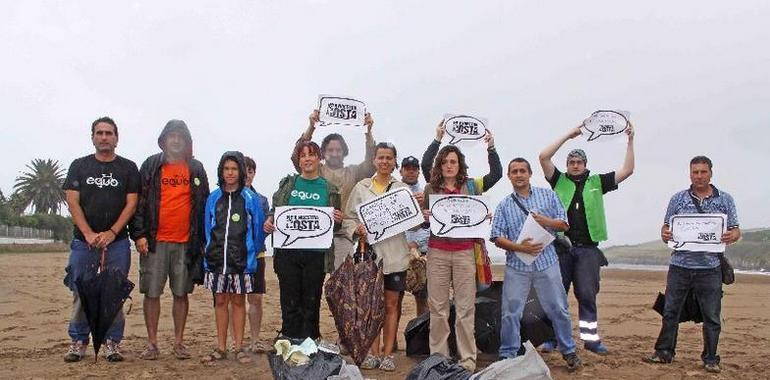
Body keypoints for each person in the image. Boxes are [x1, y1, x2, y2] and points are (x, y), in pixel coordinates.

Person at [537, 121, 635, 354]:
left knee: (587, 295)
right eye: (571, 162)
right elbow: (543, 157)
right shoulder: (558, 181)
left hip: (588, 250)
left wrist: (630, 141)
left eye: (579, 162)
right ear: (567, 165)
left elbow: (628, 170)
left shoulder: (597, 183)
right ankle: (552, 338)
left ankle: (591, 340)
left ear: (585, 165)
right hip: (560, 248)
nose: (575, 165)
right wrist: (569, 135)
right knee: (556, 296)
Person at [643, 156, 740, 374]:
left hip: (710, 267)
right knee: (670, 311)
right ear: (690, 174)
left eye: (703, 172)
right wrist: (664, 233)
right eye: (695, 172)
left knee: (712, 316)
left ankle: (711, 358)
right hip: (680, 265)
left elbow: (736, 229)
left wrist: (731, 235)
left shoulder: (725, 199)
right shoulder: (677, 199)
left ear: (711, 173)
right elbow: (665, 229)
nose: (699, 176)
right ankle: (664, 352)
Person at [420, 120, 502, 372]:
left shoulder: (472, 186)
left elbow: (496, 175)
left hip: (466, 253)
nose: (448, 165)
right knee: (438, 309)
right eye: (444, 162)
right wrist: (437, 139)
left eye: (453, 161)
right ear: (439, 165)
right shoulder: (431, 188)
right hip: (437, 253)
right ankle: (438, 358)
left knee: (466, 309)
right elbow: (427, 224)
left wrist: (492, 147)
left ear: (460, 164)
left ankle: (467, 360)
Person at [490, 158, 582, 372]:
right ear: (509, 176)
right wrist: (519, 247)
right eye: (514, 171)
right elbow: (496, 236)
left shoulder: (548, 196)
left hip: (547, 263)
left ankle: (569, 351)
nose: (519, 174)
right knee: (511, 312)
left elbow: (564, 223)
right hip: (517, 266)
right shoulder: (504, 205)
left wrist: (546, 222)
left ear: (530, 173)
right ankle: (508, 355)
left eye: (523, 170)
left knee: (558, 308)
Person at [62, 116, 140, 362]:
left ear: (117, 138)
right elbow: (72, 200)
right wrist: (88, 233)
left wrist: (112, 232)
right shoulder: (79, 166)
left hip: (116, 243)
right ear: (93, 137)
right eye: (99, 133)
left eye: (109, 133)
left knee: (113, 292)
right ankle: (78, 340)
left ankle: (111, 342)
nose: (104, 137)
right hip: (83, 243)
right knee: (81, 290)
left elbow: (132, 202)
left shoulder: (128, 168)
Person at [132, 120, 210, 361]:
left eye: (180, 136)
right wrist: (139, 234)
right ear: (163, 139)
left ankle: (179, 342)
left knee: (180, 293)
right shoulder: (151, 165)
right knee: (152, 293)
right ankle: (152, 343)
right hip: (154, 242)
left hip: (185, 243)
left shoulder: (195, 168)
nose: (175, 140)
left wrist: (203, 241)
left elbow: (204, 205)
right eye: (171, 136)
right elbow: (139, 203)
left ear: (186, 141)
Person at [344, 142, 414, 372]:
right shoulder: (362, 187)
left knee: (392, 305)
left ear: (395, 162)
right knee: (370, 306)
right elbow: (348, 218)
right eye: (380, 157)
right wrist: (356, 229)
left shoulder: (403, 189)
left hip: (395, 255)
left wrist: (419, 210)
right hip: (368, 255)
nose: (384, 162)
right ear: (374, 160)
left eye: (389, 158)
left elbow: (412, 220)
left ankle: (388, 353)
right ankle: (372, 353)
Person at [266, 141, 343, 342]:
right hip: (288, 253)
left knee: (311, 302)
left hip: (316, 255)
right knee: (289, 302)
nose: (307, 159)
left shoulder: (330, 189)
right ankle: (289, 341)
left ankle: (310, 343)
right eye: (303, 155)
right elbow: (275, 212)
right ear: (298, 160)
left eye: (311, 154)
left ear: (319, 158)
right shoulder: (288, 184)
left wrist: (337, 220)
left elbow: (334, 226)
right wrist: (269, 221)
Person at [200, 151, 266, 364]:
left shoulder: (250, 198)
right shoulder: (213, 197)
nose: (230, 173)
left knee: (238, 302)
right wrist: (210, 255)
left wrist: (249, 255)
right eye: (226, 169)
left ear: (240, 171)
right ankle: (221, 347)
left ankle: (238, 347)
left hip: (241, 262)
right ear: (221, 171)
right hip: (217, 261)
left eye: (234, 169)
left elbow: (257, 232)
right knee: (220, 301)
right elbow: (207, 230)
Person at [292, 109, 375, 271]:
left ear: (344, 152)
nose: (335, 153)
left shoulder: (353, 172)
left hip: (343, 234)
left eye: (338, 150)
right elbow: (297, 156)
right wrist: (311, 127)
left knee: (342, 284)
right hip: (314, 233)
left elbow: (371, 164)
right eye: (330, 150)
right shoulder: (317, 170)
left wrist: (368, 132)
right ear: (322, 153)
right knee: (314, 281)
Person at [237, 156, 272, 353]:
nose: (247, 175)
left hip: (257, 256)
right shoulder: (228, 197)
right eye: (245, 171)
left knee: (255, 298)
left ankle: (255, 339)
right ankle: (238, 340)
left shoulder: (262, 200)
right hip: (234, 257)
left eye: (250, 171)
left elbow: (265, 228)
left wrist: (268, 226)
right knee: (236, 299)